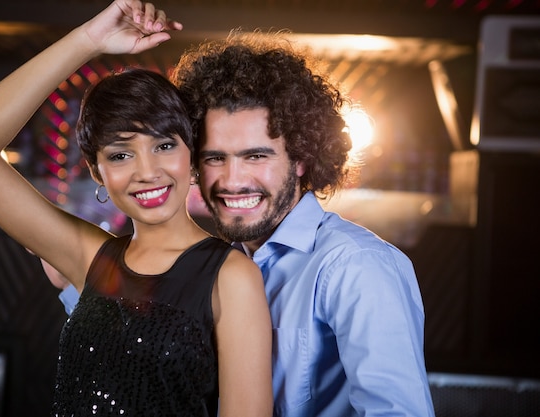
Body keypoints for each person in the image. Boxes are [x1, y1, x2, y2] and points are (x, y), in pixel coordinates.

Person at [49, 20, 435, 417]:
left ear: (302, 157)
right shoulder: (220, 262)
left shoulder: (355, 266)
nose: (232, 181)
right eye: (216, 158)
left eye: (256, 156)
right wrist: (77, 285)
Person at [0, 2, 273, 416]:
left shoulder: (231, 276)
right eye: (119, 156)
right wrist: (89, 41)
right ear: (97, 172)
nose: (146, 172)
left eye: (164, 146)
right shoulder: (89, 256)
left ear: (192, 157)